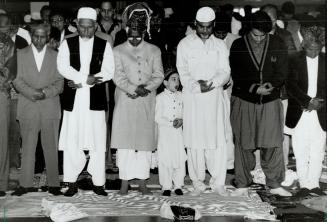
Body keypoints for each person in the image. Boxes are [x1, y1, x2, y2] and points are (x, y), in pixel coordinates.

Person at [229, 11, 291, 197]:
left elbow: (283, 71)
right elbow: (237, 74)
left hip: (271, 100)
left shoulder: (278, 43)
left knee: (272, 143)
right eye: (255, 34)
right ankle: (242, 184)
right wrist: (254, 88)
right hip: (245, 100)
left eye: (263, 35)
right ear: (249, 29)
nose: (259, 38)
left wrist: (271, 85)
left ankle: (274, 183)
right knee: (244, 143)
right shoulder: (238, 44)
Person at [57, 7, 115, 197]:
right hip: (74, 99)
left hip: (95, 99)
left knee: (97, 141)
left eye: (90, 28)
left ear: (95, 26)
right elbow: (62, 67)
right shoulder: (67, 43)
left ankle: (99, 182)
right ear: (77, 25)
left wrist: (83, 81)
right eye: (82, 27)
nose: (86, 31)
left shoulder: (104, 44)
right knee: (72, 140)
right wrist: (85, 79)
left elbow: (108, 71)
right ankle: (71, 182)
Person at [176, 7, 231, 196]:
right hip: (193, 99)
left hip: (214, 98)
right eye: (201, 27)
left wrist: (212, 83)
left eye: (208, 27)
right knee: (194, 141)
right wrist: (196, 86)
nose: (205, 31)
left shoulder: (220, 45)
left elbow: (225, 71)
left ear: (213, 25)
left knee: (217, 141)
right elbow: (182, 71)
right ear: (195, 24)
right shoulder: (184, 44)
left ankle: (218, 183)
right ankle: (198, 183)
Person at [111, 2, 164, 195]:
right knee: (124, 142)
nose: (134, 40)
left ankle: (142, 181)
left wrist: (146, 89)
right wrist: (133, 88)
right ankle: (124, 182)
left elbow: (159, 75)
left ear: (144, 32)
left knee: (144, 141)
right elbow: (117, 76)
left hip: (146, 100)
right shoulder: (117, 50)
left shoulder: (154, 50)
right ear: (126, 31)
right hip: (125, 99)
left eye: (138, 36)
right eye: (130, 36)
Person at [11, 23, 63, 196]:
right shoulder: (20, 54)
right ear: (31, 36)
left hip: (50, 106)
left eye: (43, 37)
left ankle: (54, 183)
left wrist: (45, 93)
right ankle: (24, 184)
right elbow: (16, 80)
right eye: (36, 36)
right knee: (27, 147)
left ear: (48, 37)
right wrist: (32, 93)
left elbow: (60, 83)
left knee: (51, 146)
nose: (39, 40)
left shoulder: (56, 55)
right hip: (28, 105)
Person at [285, 23, 326, 197]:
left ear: (322, 46)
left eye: (317, 49)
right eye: (310, 49)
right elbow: (290, 84)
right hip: (300, 110)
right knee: (300, 150)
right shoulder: (293, 59)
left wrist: (319, 102)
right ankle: (303, 183)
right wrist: (307, 101)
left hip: (321, 111)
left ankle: (314, 183)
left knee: (318, 149)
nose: (313, 53)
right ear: (304, 45)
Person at [155, 69, 186, 196]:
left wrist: (182, 120)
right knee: (165, 159)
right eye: (173, 79)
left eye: (178, 79)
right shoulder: (160, 98)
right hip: (165, 134)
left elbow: (185, 111)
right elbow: (157, 117)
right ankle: (166, 186)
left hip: (178, 134)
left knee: (179, 158)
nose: (177, 82)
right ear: (165, 82)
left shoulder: (181, 95)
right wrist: (170, 123)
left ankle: (178, 185)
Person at [0, 31, 15, 197]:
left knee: (1, 139)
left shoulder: (6, 42)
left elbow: (10, 71)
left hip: (0, 92)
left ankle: (1, 183)